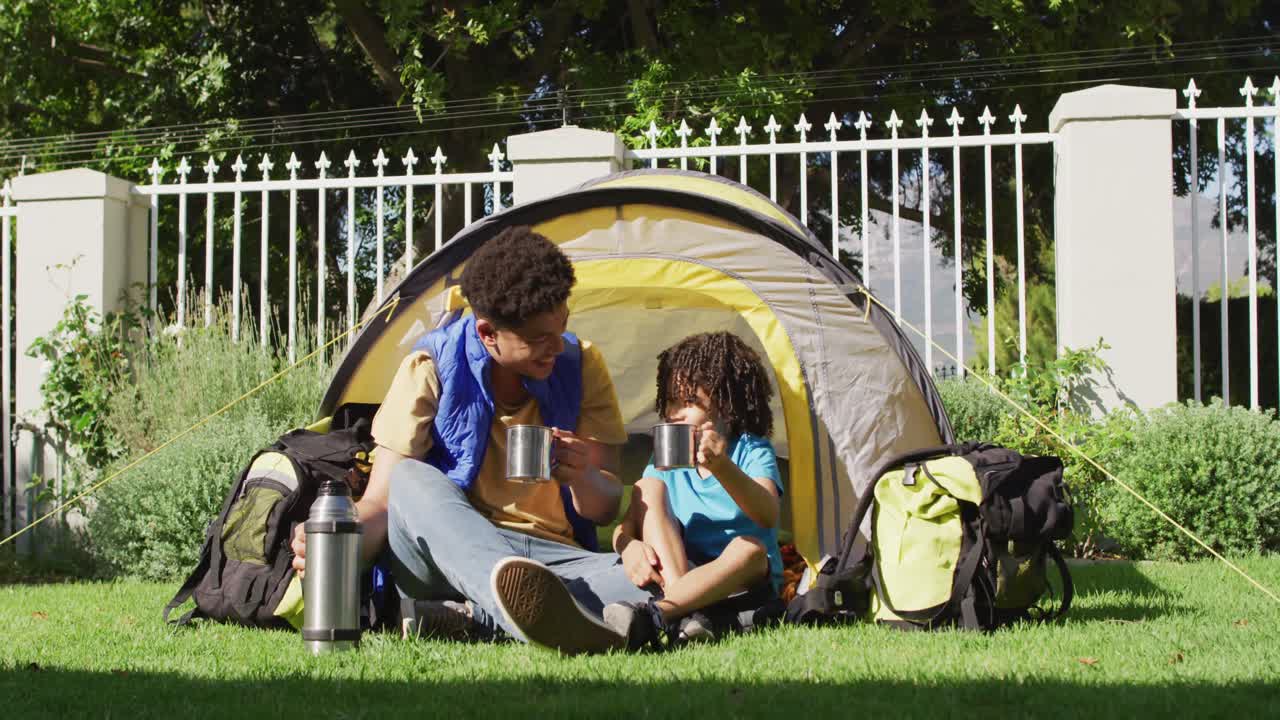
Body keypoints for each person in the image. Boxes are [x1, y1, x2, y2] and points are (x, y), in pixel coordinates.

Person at [290, 225, 651, 654]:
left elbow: (606, 503)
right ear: (487, 333)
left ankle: (476, 618)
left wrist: (582, 475)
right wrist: (334, 545)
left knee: (663, 575)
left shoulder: (582, 364)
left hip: (554, 561)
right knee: (409, 477)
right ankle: (537, 609)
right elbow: (385, 503)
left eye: (562, 328)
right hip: (447, 554)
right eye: (538, 340)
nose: (556, 347)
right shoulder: (431, 366)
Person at [602, 331, 784, 648]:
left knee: (750, 549)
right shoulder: (665, 457)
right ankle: (686, 616)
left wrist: (721, 466)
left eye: (688, 402)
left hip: (742, 580)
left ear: (725, 404)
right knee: (648, 487)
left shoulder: (750, 450)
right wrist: (628, 547)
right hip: (683, 571)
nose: (674, 413)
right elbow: (626, 527)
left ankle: (657, 616)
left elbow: (767, 513)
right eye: (669, 402)